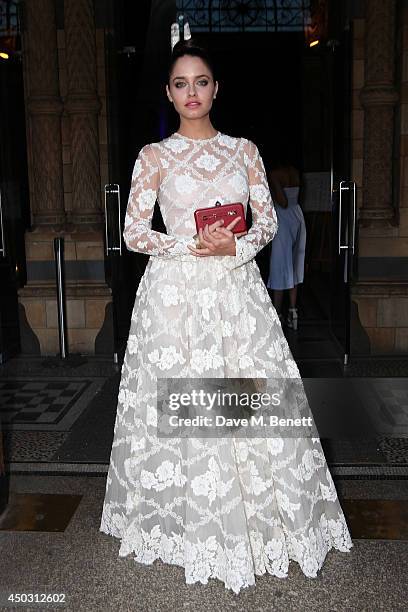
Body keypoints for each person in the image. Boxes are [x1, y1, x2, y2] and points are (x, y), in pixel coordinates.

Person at [99, 37, 352, 594]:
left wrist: (234, 249)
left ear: (217, 88)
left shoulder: (244, 151)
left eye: (202, 81)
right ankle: (190, 528)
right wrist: (193, 242)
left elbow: (266, 223)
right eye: (181, 83)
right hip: (175, 295)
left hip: (237, 290)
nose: (192, 92)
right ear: (169, 92)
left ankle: (258, 520)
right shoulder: (154, 156)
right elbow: (133, 232)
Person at [266, 161, 307, 330]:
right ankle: (293, 311)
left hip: (283, 219)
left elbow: (282, 202)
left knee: (279, 267)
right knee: (295, 265)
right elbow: (297, 198)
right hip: (297, 216)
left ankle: (277, 314)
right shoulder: (295, 171)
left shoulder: (275, 174)